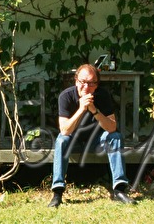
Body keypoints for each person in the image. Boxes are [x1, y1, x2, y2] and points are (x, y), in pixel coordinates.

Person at [48, 63, 135, 207]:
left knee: (115, 137)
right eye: (83, 82)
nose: (86, 87)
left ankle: (119, 190)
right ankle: (57, 192)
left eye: (91, 83)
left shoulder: (103, 95)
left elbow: (112, 127)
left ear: (97, 84)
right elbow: (64, 130)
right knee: (61, 140)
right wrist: (81, 109)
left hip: (97, 140)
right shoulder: (66, 96)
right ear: (76, 81)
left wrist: (94, 110)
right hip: (73, 139)